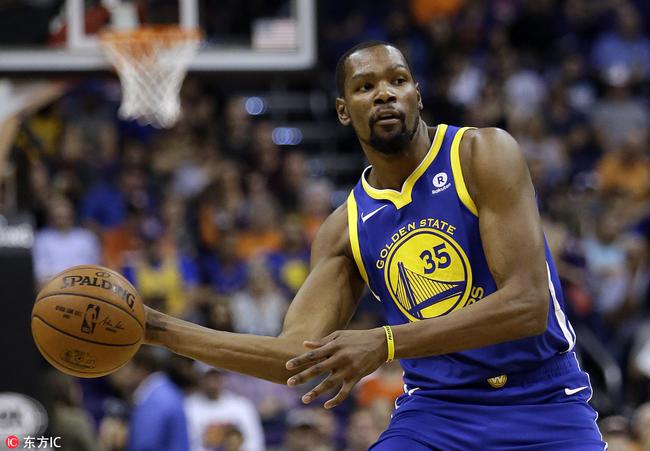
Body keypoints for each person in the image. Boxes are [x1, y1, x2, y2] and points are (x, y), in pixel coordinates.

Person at [143, 41, 605, 449]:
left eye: (397, 80)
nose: (384, 93)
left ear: (417, 95)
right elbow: (295, 357)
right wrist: (157, 328)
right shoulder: (344, 229)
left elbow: (527, 306)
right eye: (365, 87)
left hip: (542, 399)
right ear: (343, 110)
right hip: (437, 412)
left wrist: (386, 343)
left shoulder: (481, 154)